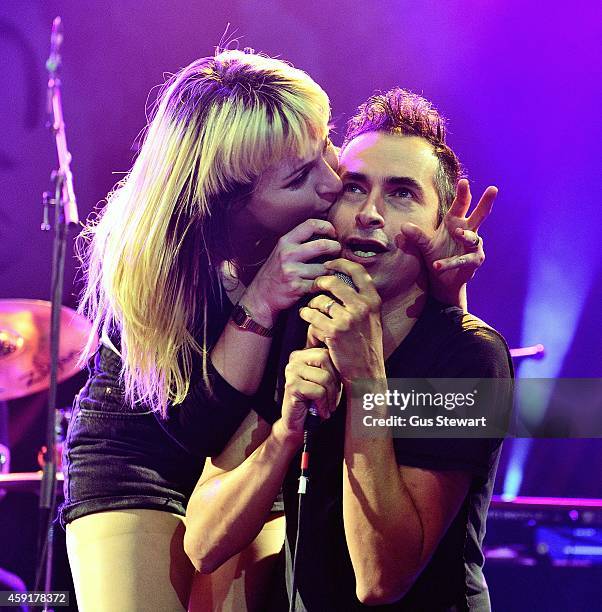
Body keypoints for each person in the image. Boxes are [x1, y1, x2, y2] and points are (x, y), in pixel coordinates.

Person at [61, 48, 490, 610]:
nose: (335, 186)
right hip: (149, 453)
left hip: (247, 457)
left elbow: (440, 349)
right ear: (234, 202)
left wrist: (446, 289)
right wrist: (264, 300)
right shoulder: (163, 260)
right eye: (302, 177)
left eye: (324, 152)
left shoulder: (336, 250)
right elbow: (196, 432)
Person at [183, 88, 512, 611]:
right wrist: (284, 435)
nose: (370, 213)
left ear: (442, 225)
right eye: (354, 188)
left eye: (402, 193)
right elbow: (202, 541)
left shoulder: (468, 357)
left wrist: (366, 383)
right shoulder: (300, 327)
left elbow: (380, 580)